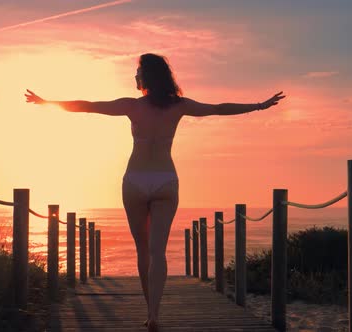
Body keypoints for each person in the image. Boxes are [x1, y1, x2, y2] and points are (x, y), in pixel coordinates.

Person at [25, 53, 285, 331]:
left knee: (143, 250)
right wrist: (259, 105)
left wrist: (47, 102)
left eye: (137, 73)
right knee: (157, 252)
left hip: (135, 179)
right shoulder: (179, 106)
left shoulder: (131, 106)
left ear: (146, 78)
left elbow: (88, 106)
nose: (135, 78)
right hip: (164, 180)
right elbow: (218, 108)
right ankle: (154, 314)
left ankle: (151, 313)